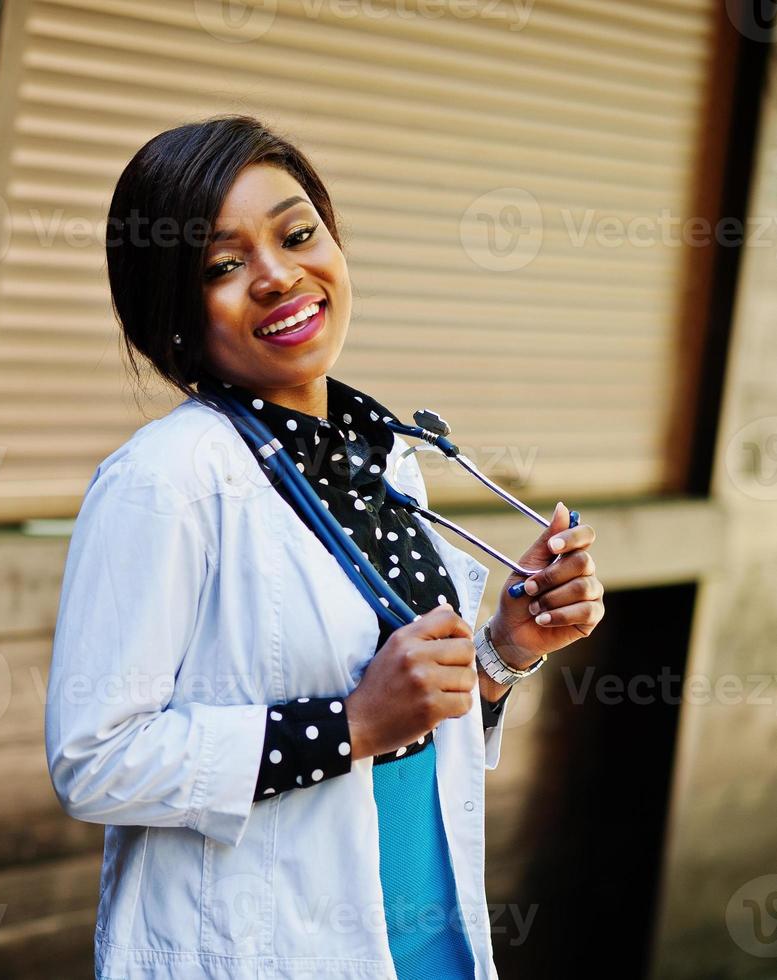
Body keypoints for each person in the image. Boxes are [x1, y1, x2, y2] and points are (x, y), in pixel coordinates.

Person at [44, 114, 605, 979]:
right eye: (223, 266)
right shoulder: (165, 479)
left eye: (297, 233)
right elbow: (93, 762)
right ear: (174, 312)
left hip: (425, 942)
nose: (277, 275)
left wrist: (504, 651)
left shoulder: (378, 458)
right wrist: (346, 726)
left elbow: (412, 714)